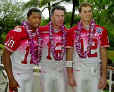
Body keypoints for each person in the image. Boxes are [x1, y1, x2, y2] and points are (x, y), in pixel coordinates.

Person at [66, 2, 109, 92]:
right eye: (85, 12)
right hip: (78, 71)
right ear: (80, 13)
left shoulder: (101, 31)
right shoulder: (72, 31)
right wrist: (70, 75)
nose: (88, 14)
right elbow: (69, 56)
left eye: (89, 11)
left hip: (94, 71)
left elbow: (104, 55)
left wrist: (104, 76)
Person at [2, 8, 41, 92]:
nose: (37, 20)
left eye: (39, 18)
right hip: (17, 75)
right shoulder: (17, 32)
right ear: (28, 18)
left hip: (30, 74)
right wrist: (11, 78)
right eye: (34, 17)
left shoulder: (38, 34)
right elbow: (5, 55)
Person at [39, 5, 68, 92]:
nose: (60, 18)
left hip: (61, 71)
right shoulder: (41, 30)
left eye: (62, 16)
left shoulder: (68, 33)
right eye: (57, 16)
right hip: (46, 71)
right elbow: (27, 31)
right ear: (52, 17)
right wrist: (20, 27)